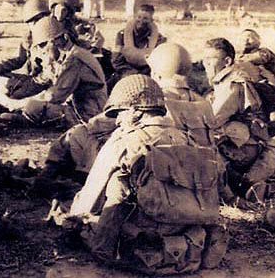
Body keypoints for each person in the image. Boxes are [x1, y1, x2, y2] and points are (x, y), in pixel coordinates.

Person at [66, 75, 227, 275]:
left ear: (135, 111)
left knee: (117, 183)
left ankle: (104, 251)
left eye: (120, 112)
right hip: (189, 240)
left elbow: (90, 199)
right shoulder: (190, 139)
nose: (117, 120)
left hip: (144, 240)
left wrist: (78, 217)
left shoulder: (124, 141)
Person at [0, 16, 107, 128]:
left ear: (58, 41)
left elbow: (54, 96)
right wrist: (16, 93)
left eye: (43, 45)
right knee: (28, 103)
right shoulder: (62, 56)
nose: (42, 50)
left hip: (88, 114)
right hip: (77, 106)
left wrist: (19, 103)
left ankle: (26, 121)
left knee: (32, 107)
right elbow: (41, 81)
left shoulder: (74, 59)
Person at [203, 37, 275, 203]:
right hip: (248, 145)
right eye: (205, 60)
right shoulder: (226, 80)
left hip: (245, 149)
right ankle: (245, 185)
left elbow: (211, 122)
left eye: (211, 60)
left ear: (227, 61)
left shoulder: (231, 85)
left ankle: (238, 188)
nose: (206, 64)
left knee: (202, 147)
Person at [111, 3, 165, 81]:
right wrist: (131, 73)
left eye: (145, 18)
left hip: (148, 74)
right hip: (126, 73)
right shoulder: (121, 35)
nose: (141, 21)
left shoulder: (159, 39)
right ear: (134, 17)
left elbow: (160, 62)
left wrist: (145, 74)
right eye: (139, 17)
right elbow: (116, 60)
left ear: (151, 20)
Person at [235, 28, 275, 93]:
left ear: (258, 40)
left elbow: (259, 58)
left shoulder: (263, 51)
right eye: (242, 39)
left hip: (274, 81)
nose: (246, 40)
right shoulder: (240, 54)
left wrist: (239, 59)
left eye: (250, 37)